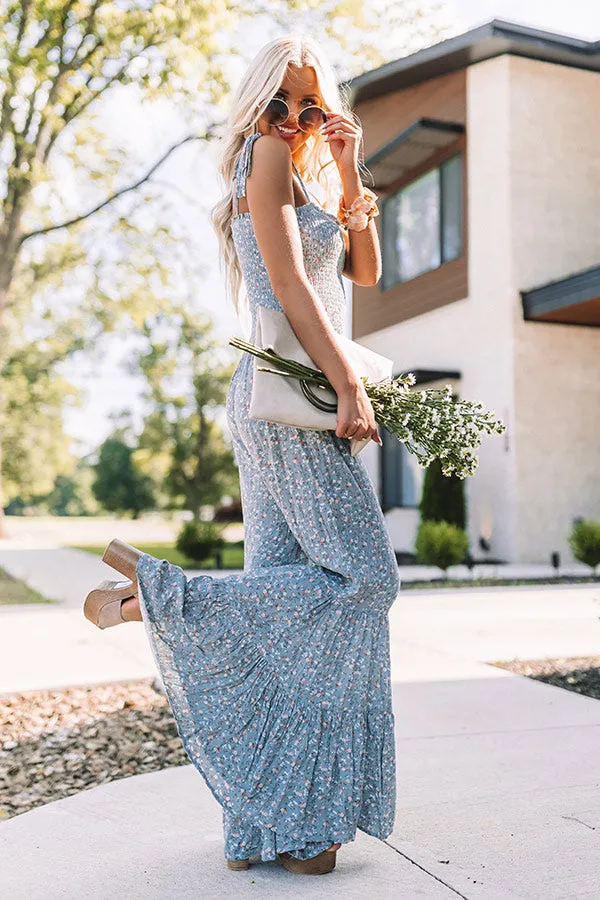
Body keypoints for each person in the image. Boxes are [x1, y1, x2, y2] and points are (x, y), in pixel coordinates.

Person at [83, 34, 401, 877]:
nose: (291, 118)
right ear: (258, 108)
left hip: (295, 400)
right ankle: (157, 595)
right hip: (290, 399)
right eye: (278, 104)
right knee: (368, 580)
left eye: (308, 105)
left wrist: (349, 167)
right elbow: (292, 288)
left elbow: (362, 274)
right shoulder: (263, 157)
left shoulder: (306, 170)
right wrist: (353, 387)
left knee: (292, 622)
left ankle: (287, 828)